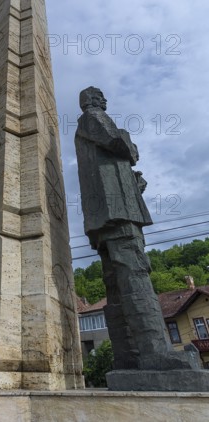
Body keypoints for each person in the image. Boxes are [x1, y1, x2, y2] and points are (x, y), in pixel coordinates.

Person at [75, 87, 191, 370]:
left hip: (108, 216)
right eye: (99, 96)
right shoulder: (94, 117)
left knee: (117, 284)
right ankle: (156, 353)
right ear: (90, 101)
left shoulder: (86, 127)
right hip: (118, 215)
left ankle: (129, 357)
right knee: (135, 274)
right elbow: (122, 146)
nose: (105, 99)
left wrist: (133, 183)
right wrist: (127, 138)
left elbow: (113, 165)